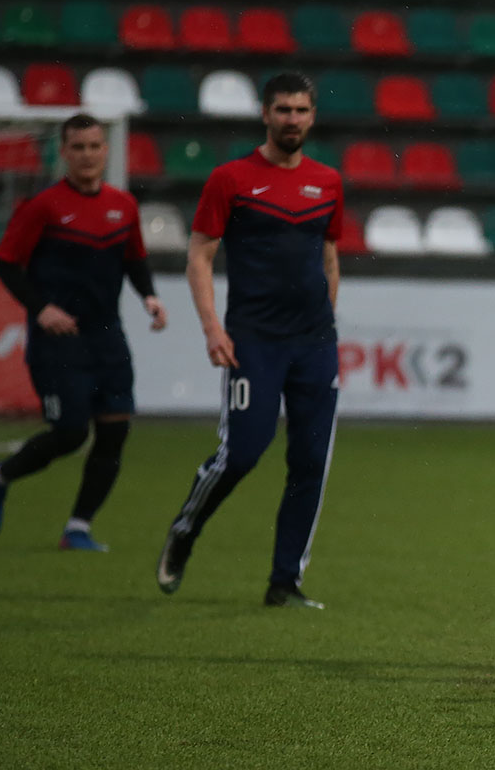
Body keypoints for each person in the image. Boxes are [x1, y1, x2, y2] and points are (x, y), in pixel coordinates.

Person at [155, 72, 344, 609]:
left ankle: (285, 582)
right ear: (265, 114)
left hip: (314, 344)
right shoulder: (231, 178)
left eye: (301, 110)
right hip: (255, 340)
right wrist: (212, 328)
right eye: (283, 109)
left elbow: (330, 258)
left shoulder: (328, 181)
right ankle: (185, 530)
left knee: (311, 462)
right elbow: (199, 256)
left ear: (312, 116)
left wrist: (326, 323)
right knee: (240, 454)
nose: (292, 119)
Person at [0, 113, 168, 552]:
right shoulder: (43, 206)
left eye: (94, 146)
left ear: (106, 150)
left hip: (108, 337)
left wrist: (150, 297)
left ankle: (78, 528)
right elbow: (5, 263)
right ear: (63, 152)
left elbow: (134, 259)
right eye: (78, 147)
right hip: (58, 342)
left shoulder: (123, 205)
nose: (87, 155)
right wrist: (41, 309)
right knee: (70, 433)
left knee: (115, 432)